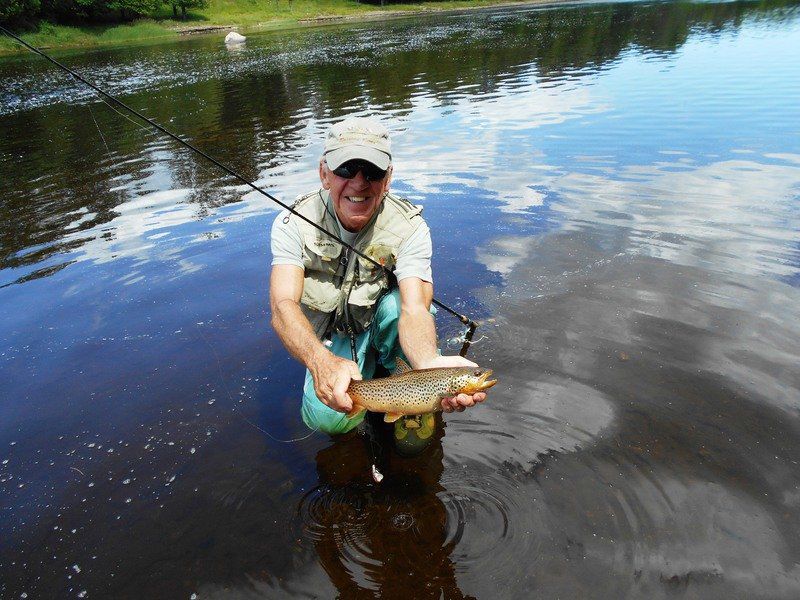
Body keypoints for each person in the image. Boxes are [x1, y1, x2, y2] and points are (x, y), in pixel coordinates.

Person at [269, 116, 487, 437]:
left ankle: (410, 392)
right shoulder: (292, 224)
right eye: (345, 169)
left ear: (388, 178)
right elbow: (282, 306)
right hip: (335, 338)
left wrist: (428, 364)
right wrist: (320, 362)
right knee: (328, 419)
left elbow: (414, 307)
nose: (359, 182)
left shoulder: (411, 228)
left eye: (372, 171)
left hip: (388, 324)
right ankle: (376, 384)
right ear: (324, 174)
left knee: (400, 305)